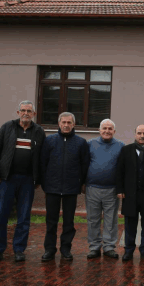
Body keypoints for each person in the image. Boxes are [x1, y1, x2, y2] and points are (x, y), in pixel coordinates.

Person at [0, 100, 46, 263]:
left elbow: (42, 157)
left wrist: (38, 178)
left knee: (24, 217)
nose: (26, 113)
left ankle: (19, 250)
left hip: (27, 181)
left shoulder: (39, 131)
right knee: (1, 216)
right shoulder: (8, 127)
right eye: (23, 110)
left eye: (29, 111)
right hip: (7, 179)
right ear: (18, 112)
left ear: (34, 114)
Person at [40, 112, 90, 262]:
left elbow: (85, 165)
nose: (66, 125)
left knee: (69, 222)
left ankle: (65, 249)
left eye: (69, 122)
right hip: (52, 188)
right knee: (51, 221)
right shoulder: (49, 141)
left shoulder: (81, 143)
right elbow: (43, 163)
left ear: (74, 124)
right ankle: (49, 249)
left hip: (71, 188)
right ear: (59, 124)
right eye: (64, 122)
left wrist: (82, 183)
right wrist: (45, 183)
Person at [116, 125, 144, 262]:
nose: (142, 136)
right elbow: (120, 171)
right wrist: (120, 190)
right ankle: (128, 250)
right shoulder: (126, 150)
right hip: (130, 194)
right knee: (130, 225)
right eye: (139, 133)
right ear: (135, 134)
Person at [85, 119, 124, 260]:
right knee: (92, 219)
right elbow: (84, 164)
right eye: (104, 128)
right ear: (99, 130)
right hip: (92, 188)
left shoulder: (120, 146)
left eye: (110, 128)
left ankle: (109, 247)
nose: (107, 131)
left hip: (112, 190)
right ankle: (94, 247)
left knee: (111, 220)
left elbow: (123, 169)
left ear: (114, 131)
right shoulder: (90, 144)